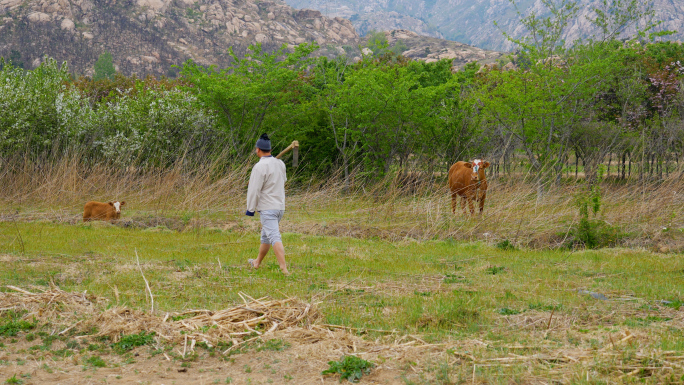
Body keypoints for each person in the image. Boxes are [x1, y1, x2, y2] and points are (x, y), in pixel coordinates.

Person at [246, 133, 290, 275]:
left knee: (274, 237)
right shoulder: (280, 164)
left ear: (258, 150)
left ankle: (284, 268)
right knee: (266, 236)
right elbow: (283, 181)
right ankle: (256, 262)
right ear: (270, 150)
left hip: (268, 208)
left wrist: (250, 209)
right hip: (280, 207)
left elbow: (254, 189)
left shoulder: (259, 167)